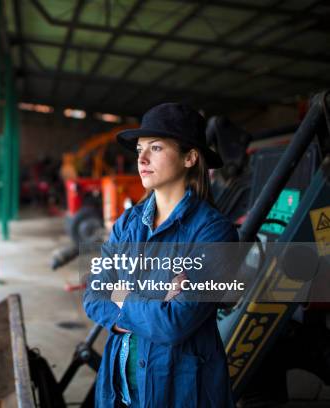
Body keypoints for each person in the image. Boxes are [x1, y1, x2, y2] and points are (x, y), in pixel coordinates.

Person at [83, 103, 238, 407]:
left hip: (181, 393)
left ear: (190, 157)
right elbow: (92, 294)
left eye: (155, 148)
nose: (141, 158)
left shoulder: (214, 233)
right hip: (119, 391)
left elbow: (174, 324)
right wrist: (155, 301)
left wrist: (121, 296)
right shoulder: (128, 223)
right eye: (140, 149)